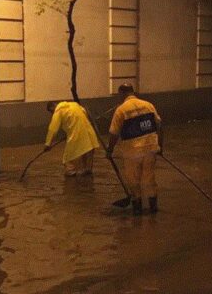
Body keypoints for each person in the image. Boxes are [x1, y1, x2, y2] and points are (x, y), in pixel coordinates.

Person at [106, 84, 163, 215]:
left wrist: (110, 150)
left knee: (133, 179)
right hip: (150, 149)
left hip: (132, 151)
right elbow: (160, 126)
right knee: (149, 178)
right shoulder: (148, 105)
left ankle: (137, 209)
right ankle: (153, 209)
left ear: (121, 93)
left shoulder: (121, 110)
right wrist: (160, 147)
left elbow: (113, 133)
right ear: (132, 92)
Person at [44, 101, 100, 177]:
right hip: (88, 132)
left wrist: (48, 143)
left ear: (52, 107)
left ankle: (71, 172)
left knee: (68, 158)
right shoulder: (74, 105)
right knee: (88, 151)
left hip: (77, 134)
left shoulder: (58, 111)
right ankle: (87, 169)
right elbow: (84, 112)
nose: (52, 114)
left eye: (51, 112)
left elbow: (53, 129)